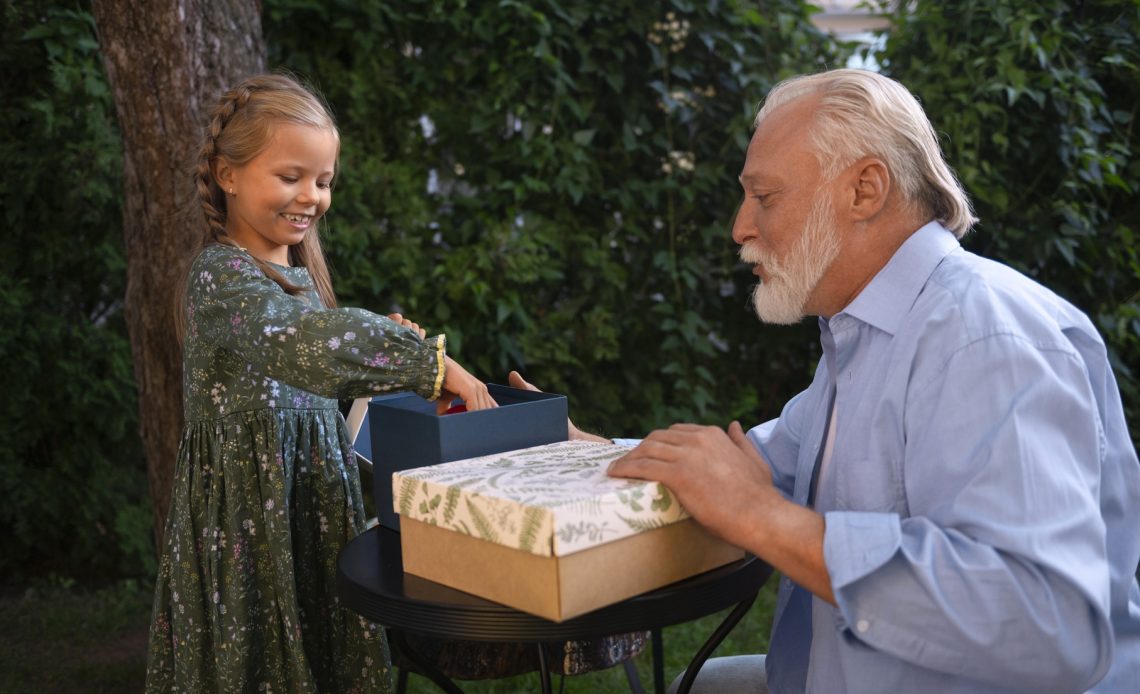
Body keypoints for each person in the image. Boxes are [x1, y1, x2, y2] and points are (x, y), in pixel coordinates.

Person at [529, 68, 1140, 692]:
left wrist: (760, 515)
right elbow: (754, 466)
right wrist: (579, 448)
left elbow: (1048, 624)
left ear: (865, 190)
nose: (740, 228)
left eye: (764, 197)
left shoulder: (984, 337)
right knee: (699, 683)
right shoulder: (869, 332)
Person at [144, 73, 496, 693]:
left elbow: (322, 370)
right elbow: (308, 348)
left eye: (324, 180)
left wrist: (380, 352)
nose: (311, 196)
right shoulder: (220, 276)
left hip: (311, 509)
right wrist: (429, 364)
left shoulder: (300, 282)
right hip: (251, 527)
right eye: (290, 177)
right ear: (228, 174)